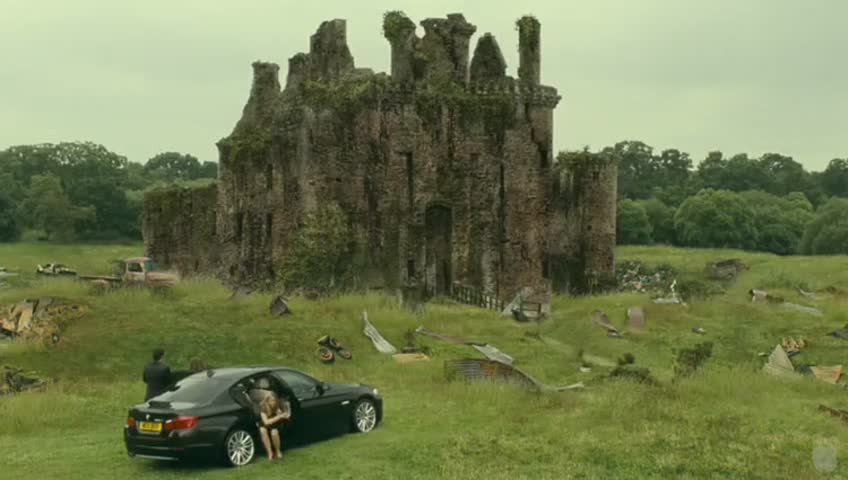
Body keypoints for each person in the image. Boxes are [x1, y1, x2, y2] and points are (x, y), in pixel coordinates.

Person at [258, 392, 290, 460]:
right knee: (262, 430)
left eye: (274, 400)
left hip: (276, 424)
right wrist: (278, 416)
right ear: (267, 401)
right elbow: (266, 422)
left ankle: (278, 451)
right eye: (272, 400)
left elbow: (286, 415)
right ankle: (270, 452)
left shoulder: (278, 405)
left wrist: (281, 414)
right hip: (267, 423)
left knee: (274, 432)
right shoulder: (263, 407)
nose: (274, 402)